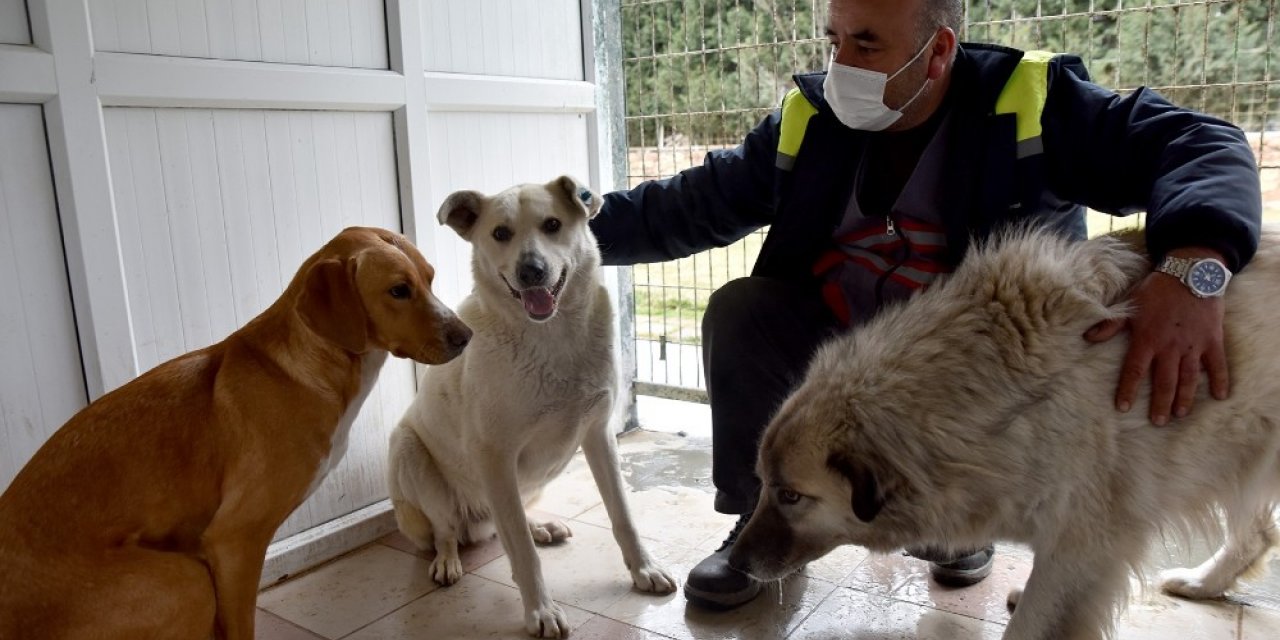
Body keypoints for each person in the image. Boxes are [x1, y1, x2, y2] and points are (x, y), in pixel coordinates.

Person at [589, 0, 1263, 610]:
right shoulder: (811, 120)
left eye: (867, 45)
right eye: (834, 40)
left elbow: (1204, 144)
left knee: (960, 506)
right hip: (842, 359)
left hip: (965, 388)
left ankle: (961, 532)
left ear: (938, 51)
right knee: (744, 308)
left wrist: (1194, 265)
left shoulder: (1031, 102)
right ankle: (766, 510)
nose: (839, 64)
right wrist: (562, 238)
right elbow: (687, 206)